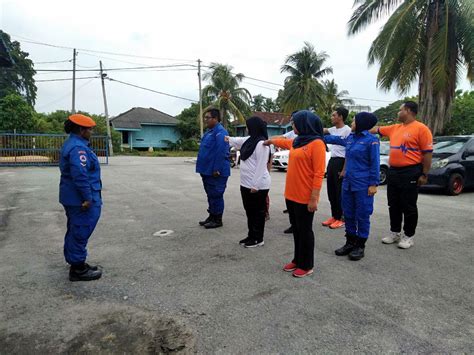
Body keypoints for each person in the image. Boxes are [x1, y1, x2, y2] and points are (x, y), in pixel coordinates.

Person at [264, 110, 326, 278]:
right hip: (291, 195)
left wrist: (314, 199)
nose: (293, 125)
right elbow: (284, 143)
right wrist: (269, 141)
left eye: (295, 122)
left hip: (305, 196)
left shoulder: (317, 144)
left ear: (305, 124)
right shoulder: (298, 142)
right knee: (297, 230)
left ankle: (307, 265)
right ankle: (297, 259)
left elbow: (319, 173)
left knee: (305, 231)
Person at [369, 101, 433, 249]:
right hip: (394, 171)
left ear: (408, 111)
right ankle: (395, 232)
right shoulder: (395, 128)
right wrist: (359, 126)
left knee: (408, 205)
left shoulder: (421, 129)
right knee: (394, 204)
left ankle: (408, 236)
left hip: (411, 171)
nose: (398, 113)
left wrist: (424, 174)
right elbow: (376, 129)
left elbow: (428, 154)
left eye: (400, 110)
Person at [325, 112, 380, 260]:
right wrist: (315, 135)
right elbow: (335, 139)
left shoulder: (371, 141)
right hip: (348, 183)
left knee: (362, 214)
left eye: (355, 121)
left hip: (363, 184)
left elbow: (375, 163)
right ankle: (350, 242)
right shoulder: (350, 138)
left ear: (362, 123)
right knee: (348, 213)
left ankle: (360, 245)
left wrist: (373, 184)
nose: (352, 123)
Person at [59, 114, 103, 282]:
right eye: (89, 129)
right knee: (80, 230)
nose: (91, 132)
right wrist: (87, 198)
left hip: (72, 196)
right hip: (81, 199)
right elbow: (80, 175)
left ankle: (77, 262)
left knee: (75, 229)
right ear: (81, 129)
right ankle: (77, 269)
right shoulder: (78, 148)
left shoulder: (74, 144)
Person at [226, 117, 271, 248]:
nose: (246, 128)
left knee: (258, 212)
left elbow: (262, 166)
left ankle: (258, 238)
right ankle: (251, 235)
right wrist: (227, 138)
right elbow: (235, 140)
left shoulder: (262, 144)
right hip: (245, 183)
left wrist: (255, 185)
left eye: (247, 126)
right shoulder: (249, 140)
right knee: (249, 212)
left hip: (258, 185)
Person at [196, 108, 231, 229]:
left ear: (215, 119)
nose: (205, 120)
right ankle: (211, 216)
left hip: (216, 171)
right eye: (205, 117)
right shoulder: (209, 132)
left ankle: (217, 219)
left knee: (216, 195)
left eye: (208, 118)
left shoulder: (221, 133)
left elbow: (221, 152)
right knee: (210, 194)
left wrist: (217, 169)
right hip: (206, 170)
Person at [322, 107, 351, 229]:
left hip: (342, 162)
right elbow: (321, 130)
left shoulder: (348, 130)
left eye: (334, 115)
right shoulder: (332, 129)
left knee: (340, 193)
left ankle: (341, 218)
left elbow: (349, 152)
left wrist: (345, 169)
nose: (331, 117)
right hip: (332, 161)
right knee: (331, 191)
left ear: (340, 117)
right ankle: (334, 216)